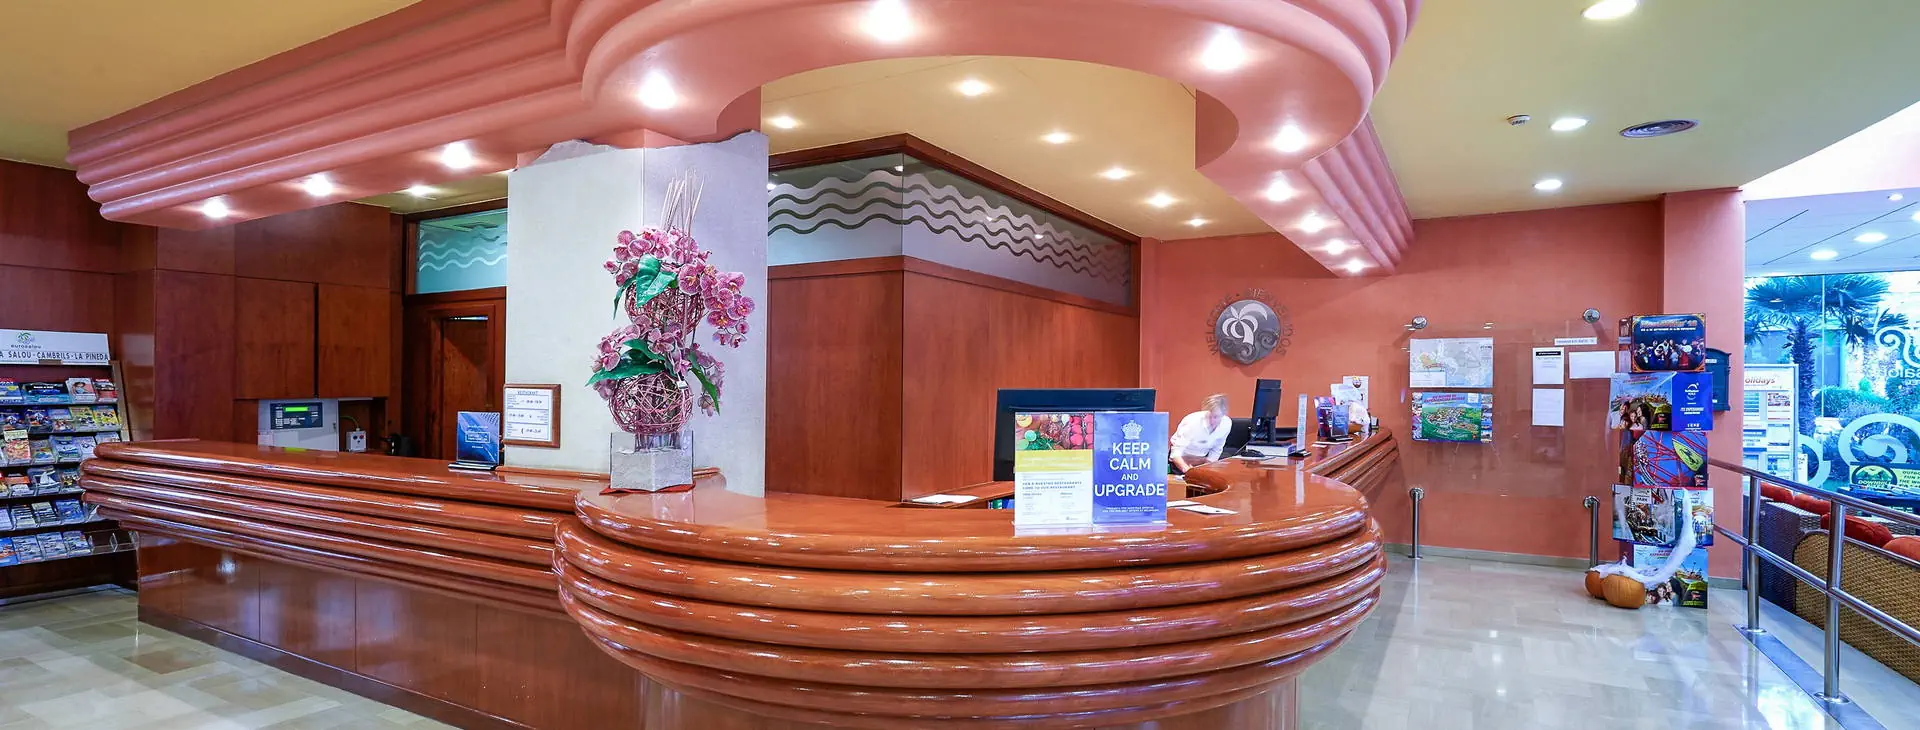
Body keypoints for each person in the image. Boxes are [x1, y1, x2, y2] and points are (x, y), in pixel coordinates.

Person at [1170, 394, 1232, 474]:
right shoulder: (1192, 423)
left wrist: (1208, 468)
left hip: (1201, 460)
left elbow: (1216, 449)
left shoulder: (1226, 424)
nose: (1212, 420)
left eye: (1216, 417)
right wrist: (1187, 470)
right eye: (1209, 416)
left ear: (1223, 414)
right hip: (1181, 460)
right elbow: (1176, 454)